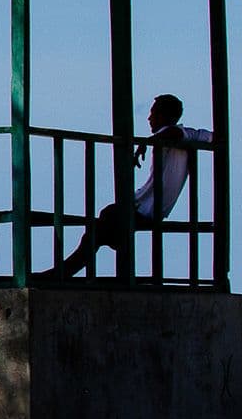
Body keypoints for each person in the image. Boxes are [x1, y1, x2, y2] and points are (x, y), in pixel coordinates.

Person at [36, 94, 214, 280]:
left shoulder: (176, 134)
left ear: (165, 116)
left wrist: (147, 143)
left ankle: (61, 273)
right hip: (144, 206)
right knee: (102, 223)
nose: (149, 118)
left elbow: (173, 133)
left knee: (101, 225)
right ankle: (63, 271)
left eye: (153, 113)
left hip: (147, 210)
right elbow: (210, 136)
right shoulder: (188, 136)